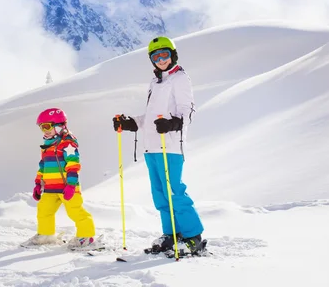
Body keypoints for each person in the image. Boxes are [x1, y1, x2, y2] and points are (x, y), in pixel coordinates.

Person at [113, 36, 205, 254]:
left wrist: (173, 123)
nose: (161, 59)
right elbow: (151, 116)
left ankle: (194, 237)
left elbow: (188, 110)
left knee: (174, 191)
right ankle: (171, 233)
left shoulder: (180, 78)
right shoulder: (156, 81)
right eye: (156, 56)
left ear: (173, 55)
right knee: (160, 194)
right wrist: (131, 123)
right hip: (152, 146)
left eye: (165, 54)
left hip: (170, 145)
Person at [21, 107, 97, 249]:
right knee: (44, 210)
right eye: (42, 127)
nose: (45, 130)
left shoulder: (67, 143)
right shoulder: (47, 145)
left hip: (67, 187)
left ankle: (86, 237)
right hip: (50, 188)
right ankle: (46, 235)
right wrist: (38, 183)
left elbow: (73, 165)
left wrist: (71, 184)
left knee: (75, 211)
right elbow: (42, 166)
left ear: (59, 125)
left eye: (47, 126)